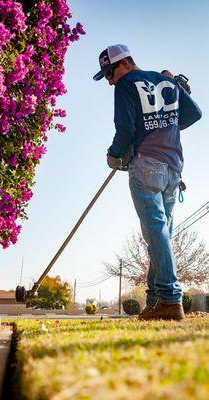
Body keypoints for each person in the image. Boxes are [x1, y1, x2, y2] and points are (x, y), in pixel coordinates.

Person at [93, 44, 202, 320]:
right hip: (173, 166)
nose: (109, 80)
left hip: (146, 164)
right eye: (105, 75)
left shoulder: (126, 83)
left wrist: (114, 155)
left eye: (109, 72)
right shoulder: (167, 80)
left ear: (125, 64)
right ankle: (155, 302)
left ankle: (170, 299)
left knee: (155, 232)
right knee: (160, 233)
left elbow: (126, 128)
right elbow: (193, 114)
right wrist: (166, 122)